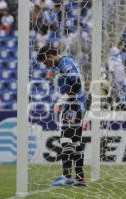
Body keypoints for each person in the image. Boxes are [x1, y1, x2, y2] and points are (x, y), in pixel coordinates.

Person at [37, 44, 87, 187]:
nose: (47, 66)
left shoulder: (65, 64)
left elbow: (76, 84)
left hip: (73, 105)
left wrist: (62, 99)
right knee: (76, 142)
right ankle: (80, 178)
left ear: (52, 55)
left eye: (47, 62)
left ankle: (66, 177)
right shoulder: (65, 62)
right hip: (79, 105)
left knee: (65, 139)